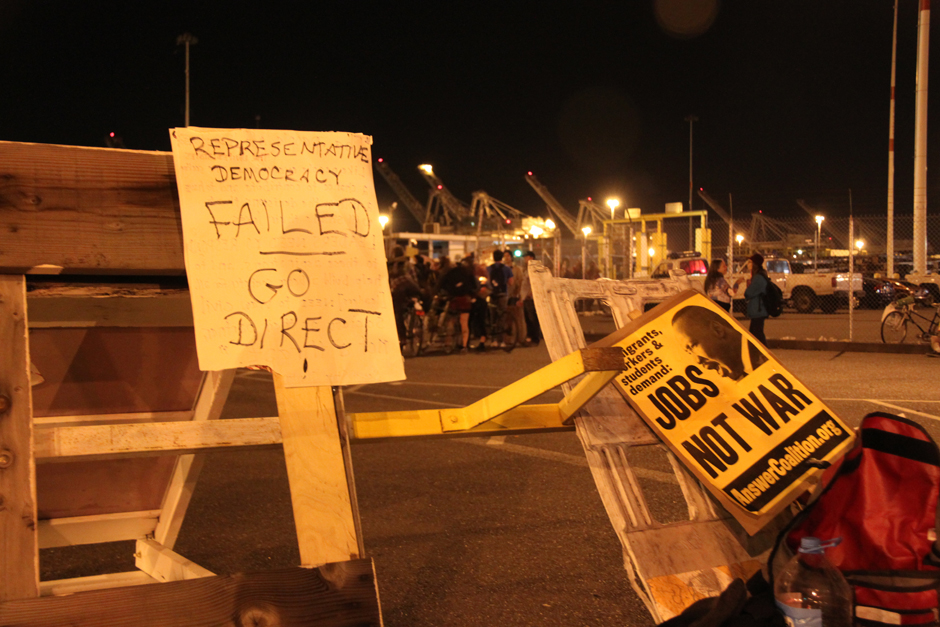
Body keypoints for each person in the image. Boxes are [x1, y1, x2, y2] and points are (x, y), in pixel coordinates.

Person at [672, 305, 768, 381]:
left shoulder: (763, 363)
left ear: (717, 330)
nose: (697, 360)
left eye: (693, 346)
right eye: (689, 352)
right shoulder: (748, 366)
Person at [487, 250, 514, 346]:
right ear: (502, 257)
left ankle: (493, 340)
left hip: (492, 294)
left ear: (493, 257)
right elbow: (511, 282)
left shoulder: (489, 268)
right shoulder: (506, 269)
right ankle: (501, 341)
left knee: (493, 317)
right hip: (503, 294)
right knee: (502, 317)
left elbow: (487, 281)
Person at [742, 252, 770, 345]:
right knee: (755, 334)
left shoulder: (758, 278)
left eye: (750, 262)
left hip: (758, 310)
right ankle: (759, 354)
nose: (748, 264)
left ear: (755, 264)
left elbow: (748, 293)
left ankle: (764, 354)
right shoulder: (758, 275)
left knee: (757, 334)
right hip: (758, 310)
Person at [519, 251, 542, 346]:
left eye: (526, 257)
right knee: (528, 318)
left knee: (532, 318)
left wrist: (531, 293)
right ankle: (530, 337)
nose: (525, 259)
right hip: (526, 297)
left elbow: (536, 282)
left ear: (531, 257)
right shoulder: (526, 269)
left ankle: (535, 338)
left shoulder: (535, 269)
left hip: (531, 297)